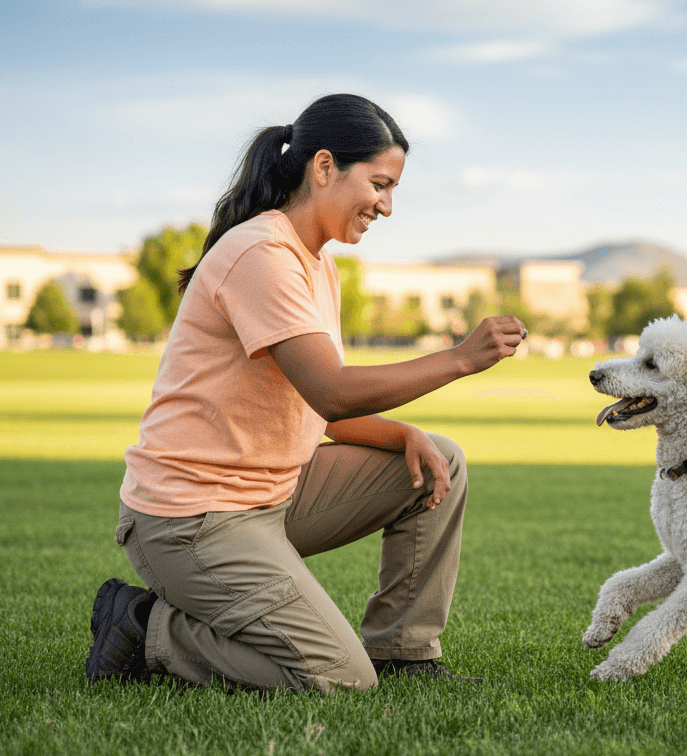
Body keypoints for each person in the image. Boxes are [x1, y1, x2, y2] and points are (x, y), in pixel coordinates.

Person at [84, 94, 526, 693]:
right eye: (379, 184)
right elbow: (335, 393)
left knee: (437, 459)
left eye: (393, 189)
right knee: (339, 677)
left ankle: (405, 653)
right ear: (323, 168)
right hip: (191, 520)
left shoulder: (316, 265)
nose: (387, 206)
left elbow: (318, 410)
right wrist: (459, 359)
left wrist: (405, 436)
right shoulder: (261, 253)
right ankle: (146, 630)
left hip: (272, 495)